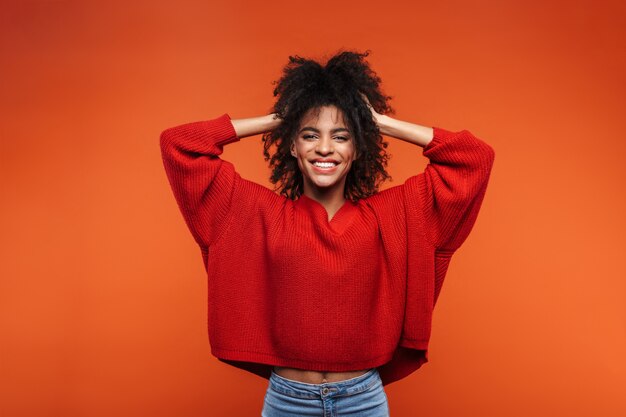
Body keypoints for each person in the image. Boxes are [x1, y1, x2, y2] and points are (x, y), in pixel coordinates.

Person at [160, 50, 495, 416]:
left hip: (363, 401)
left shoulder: (393, 215)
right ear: (292, 145)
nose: (324, 148)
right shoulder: (257, 212)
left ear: (356, 148)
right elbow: (180, 144)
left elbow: (473, 158)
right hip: (287, 402)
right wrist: (280, 118)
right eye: (308, 135)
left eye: (341, 136)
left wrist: (377, 121)